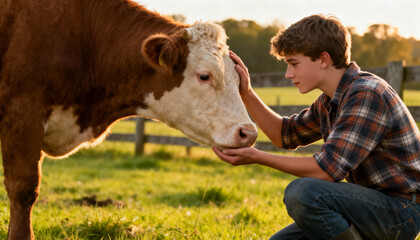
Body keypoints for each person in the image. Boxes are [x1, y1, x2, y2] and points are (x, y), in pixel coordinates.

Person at [212, 14, 420, 240]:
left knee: (304, 193)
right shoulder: (329, 101)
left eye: (294, 64)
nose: (288, 73)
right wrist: (246, 93)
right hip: (364, 205)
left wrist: (257, 157)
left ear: (323, 59)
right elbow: (285, 135)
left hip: (401, 212)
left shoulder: (367, 93)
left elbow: (326, 171)